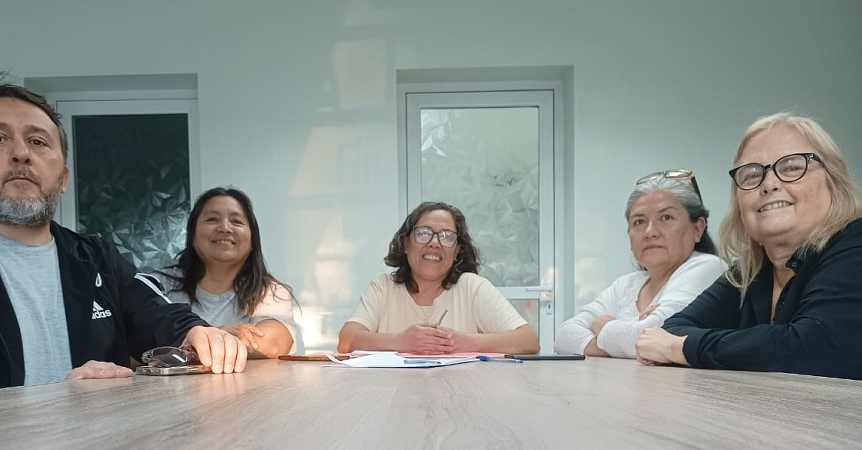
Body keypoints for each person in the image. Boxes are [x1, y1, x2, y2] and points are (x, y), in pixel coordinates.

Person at [0, 72, 247, 401]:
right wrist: (52, 404)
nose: (21, 154)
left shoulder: (95, 256)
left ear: (63, 178)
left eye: (38, 141)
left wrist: (196, 332)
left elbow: (156, 313)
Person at [637, 112, 862, 379]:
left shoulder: (855, 243)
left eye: (792, 167)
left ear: (834, 182)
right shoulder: (749, 271)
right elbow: (671, 330)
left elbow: (816, 349)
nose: (769, 184)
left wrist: (686, 347)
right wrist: (756, 345)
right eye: (752, 175)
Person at [554, 172, 726, 358]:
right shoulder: (626, 284)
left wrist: (602, 324)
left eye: (666, 217)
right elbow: (564, 336)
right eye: (639, 222)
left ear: (698, 228)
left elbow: (653, 338)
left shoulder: (709, 267)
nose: (649, 232)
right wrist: (625, 339)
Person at [337, 202, 540, 355]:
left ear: (457, 251)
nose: (434, 243)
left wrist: (464, 343)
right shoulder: (383, 288)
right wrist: (402, 342)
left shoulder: (471, 287)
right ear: (405, 243)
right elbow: (346, 341)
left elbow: (529, 340)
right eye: (424, 233)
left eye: (446, 236)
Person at [150, 187, 297, 359]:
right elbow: (138, 352)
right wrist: (218, 335)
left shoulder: (270, 290)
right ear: (192, 236)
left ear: (252, 240)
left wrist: (198, 344)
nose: (225, 228)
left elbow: (274, 344)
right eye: (212, 219)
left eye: (237, 221)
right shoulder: (160, 285)